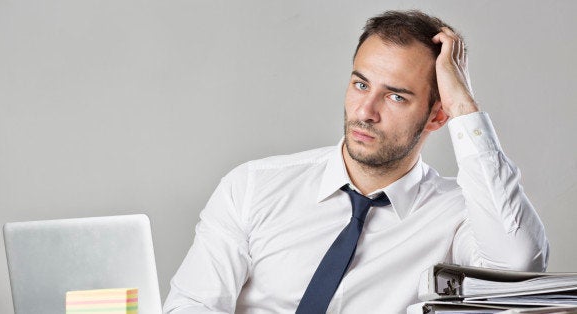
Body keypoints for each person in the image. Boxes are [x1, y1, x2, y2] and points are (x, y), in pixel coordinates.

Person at [163, 10, 549, 314]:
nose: (365, 111)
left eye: (396, 97)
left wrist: (464, 106)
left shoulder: (458, 214)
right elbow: (192, 306)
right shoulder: (252, 187)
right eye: (360, 84)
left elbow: (517, 270)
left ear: (437, 115)